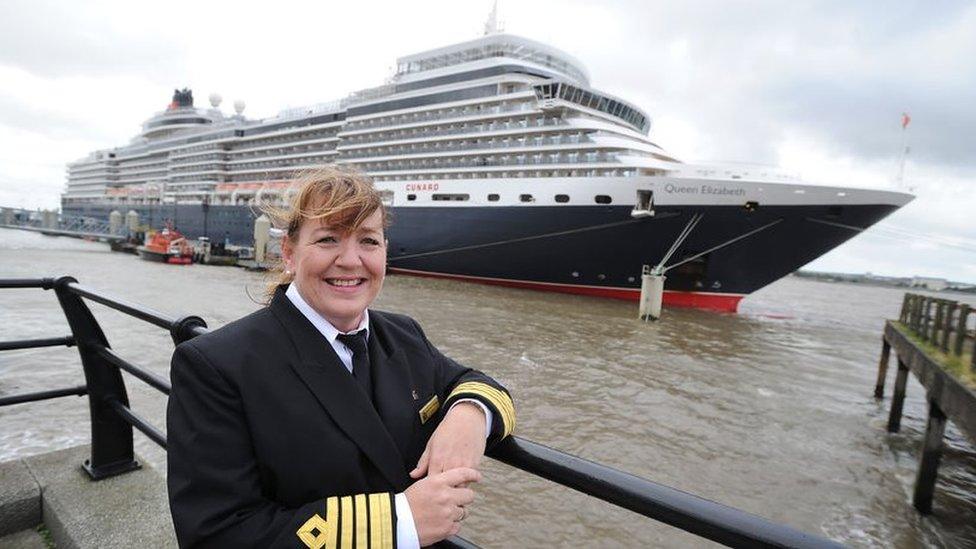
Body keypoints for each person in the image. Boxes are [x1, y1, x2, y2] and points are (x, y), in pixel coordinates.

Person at [166, 166, 516, 548]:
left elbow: (472, 380)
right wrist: (398, 522)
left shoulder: (403, 333)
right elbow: (215, 535)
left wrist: (468, 415)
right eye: (329, 239)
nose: (351, 261)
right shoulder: (216, 366)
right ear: (288, 252)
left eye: (369, 241)